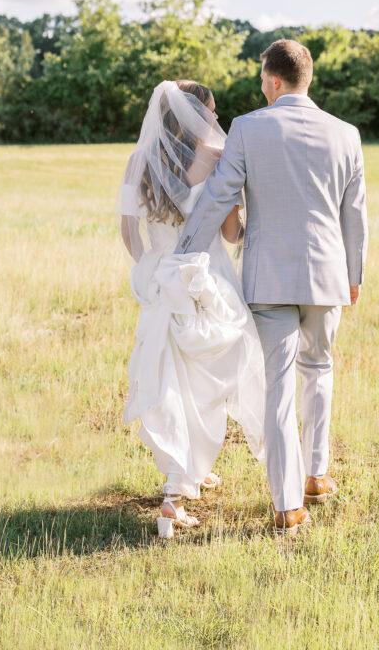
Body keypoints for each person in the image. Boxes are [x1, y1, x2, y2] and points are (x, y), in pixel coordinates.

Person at [176, 40, 368, 536]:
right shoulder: (347, 135)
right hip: (328, 276)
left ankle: (287, 507)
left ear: (275, 81)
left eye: (263, 77)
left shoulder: (248, 128)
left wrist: (184, 252)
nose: (261, 85)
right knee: (319, 369)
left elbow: (219, 195)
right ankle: (316, 476)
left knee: (279, 385)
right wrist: (355, 276)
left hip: (269, 278)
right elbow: (355, 214)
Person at [119, 79, 265, 536]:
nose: (218, 120)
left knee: (170, 380)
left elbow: (128, 232)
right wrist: (245, 215)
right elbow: (229, 235)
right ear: (193, 115)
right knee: (210, 378)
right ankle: (173, 497)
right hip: (206, 279)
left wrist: (153, 270)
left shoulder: (138, 160)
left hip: (164, 280)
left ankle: (190, 470)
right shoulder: (216, 159)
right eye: (213, 112)